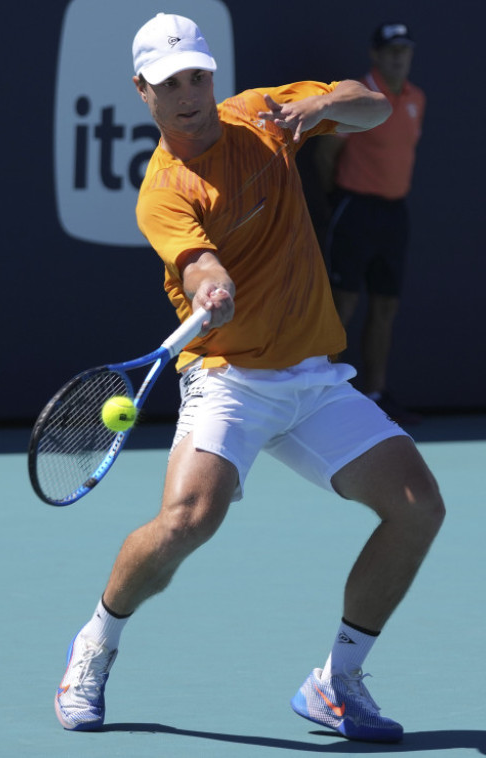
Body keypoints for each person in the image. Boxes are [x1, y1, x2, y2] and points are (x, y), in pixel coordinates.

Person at [54, 13, 444, 744]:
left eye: (197, 76)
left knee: (419, 507)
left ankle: (336, 683)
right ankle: (94, 645)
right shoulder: (164, 191)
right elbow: (197, 262)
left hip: (313, 378)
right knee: (188, 521)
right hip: (229, 378)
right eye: (171, 83)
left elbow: (374, 107)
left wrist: (322, 107)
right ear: (143, 92)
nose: (189, 94)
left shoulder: (262, 115)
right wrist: (210, 283)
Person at [307, 23, 426, 424]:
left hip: (395, 213)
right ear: (375, 55)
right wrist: (337, 200)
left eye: (404, 50)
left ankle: (375, 393)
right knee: (342, 304)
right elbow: (326, 153)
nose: (398, 58)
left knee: (386, 304)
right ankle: (322, 399)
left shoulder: (417, 98)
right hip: (354, 209)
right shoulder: (358, 96)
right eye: (390, 51)